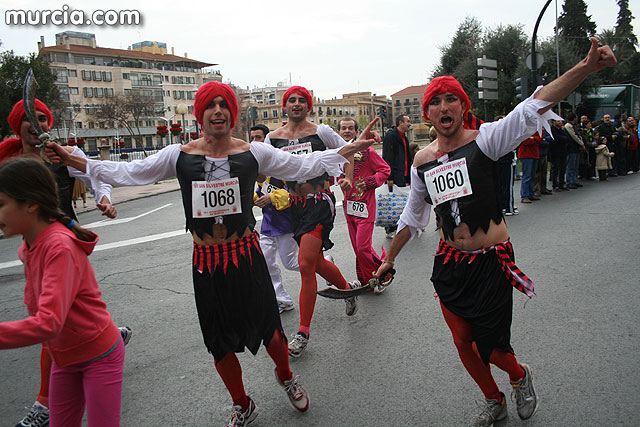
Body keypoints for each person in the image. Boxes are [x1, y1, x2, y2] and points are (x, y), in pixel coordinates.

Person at [47, 81, 379, 425]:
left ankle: (285, 376)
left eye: (223, 105)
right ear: (200, 113)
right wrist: (75, 159)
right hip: (206, 263)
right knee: (217, 342)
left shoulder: (254, 151)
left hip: (246, 256)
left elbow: (302, 166)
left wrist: (349, 148)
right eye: (210, 105)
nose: (217, 111)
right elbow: (129, 172)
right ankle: (242, 402)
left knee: (270, 332)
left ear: (232, 113)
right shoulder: (179, 155)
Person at [374, 38, 616, 426]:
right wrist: (387, 260)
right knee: (461, 341)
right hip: (450, 263)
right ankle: (493, 399)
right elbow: (411, 218)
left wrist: (586, 66)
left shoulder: (487, 139)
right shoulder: (422, 161)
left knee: (487, 344)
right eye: (435, 102)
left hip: (492, 262)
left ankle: (519, 376)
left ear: (462, 106)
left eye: (450, 99)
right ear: (428, 114)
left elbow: (534, 105)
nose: (442, 107)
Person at [0, 98, 124, 427]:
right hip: (66, 353)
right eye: (30, 118)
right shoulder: (27, 244)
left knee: (67, 311)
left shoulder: (60, 155)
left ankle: (107, 334)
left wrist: (103, 197)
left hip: (61, 236)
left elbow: (103, 174)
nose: (37, 123)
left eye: (42, 118)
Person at [265, 86, 363, 358]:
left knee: (306, 264)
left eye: (302, 101)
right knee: (317, 261)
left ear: (309, 106)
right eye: (291, 100)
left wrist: (347, 177)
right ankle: (347, 290)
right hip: (294, 208)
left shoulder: (321, 132)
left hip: (319, 203)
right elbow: (263, 171)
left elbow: (349, 152)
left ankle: (302, 333)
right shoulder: (273, 138)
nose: (296, 104)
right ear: (284, 106)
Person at [337, 117, 390, 292]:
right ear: (338, 131)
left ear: (356, 131)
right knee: (357, 249)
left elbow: (385, 170)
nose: (346, 131)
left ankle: (383, 273)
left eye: (350, 128)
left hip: (366, 205)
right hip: (349, 207)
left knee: (362, 247)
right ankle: (368, 280)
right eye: (343, 128)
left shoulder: (367, 152)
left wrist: (369, 182)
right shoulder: (336, 152)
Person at [251, 124, 298, 313]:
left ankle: (325, 263)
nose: (254, 142)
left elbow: (295, 191)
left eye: (259, 138)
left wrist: (272, 197)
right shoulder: (256, 165)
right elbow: (259, 190)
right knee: (266, 262)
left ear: (267, 140)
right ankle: (282, 299)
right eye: (252, 138)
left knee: (292, 263)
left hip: (286, 223)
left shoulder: (282, 162)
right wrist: (256, 199)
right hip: (268, 224)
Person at [382, 114, 413, 237]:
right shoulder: (391, 136)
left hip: (403, 174)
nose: (410, 124)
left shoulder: (404, 137)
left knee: (402, 201)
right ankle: (390, 229)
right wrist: (389, 177)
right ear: (400, 122)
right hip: (394, 175)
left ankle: (401, 226)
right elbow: (387, 157)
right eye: (408, 121)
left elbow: (407, 157)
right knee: (392, 203)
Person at [517, 133, 541, 203]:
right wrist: (535, 139)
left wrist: (533, 138)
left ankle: (531, 193)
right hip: (526, 155)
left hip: (535, 154)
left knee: (532, 176)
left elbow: (540, 138)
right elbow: (525, 141)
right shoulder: (524, 129)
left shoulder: (536, 128)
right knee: (527, 176)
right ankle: (524, 195)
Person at [564, 112, 585, 188]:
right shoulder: (568, 126)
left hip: (576, 149)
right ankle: (569, 181)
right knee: (571, 165)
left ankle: (574, 180)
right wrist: (581, 144)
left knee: (575, 165)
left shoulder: (574, 126)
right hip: (571, 149)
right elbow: (574, 136)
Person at [549, 119, 570, 191]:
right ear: (553, 122)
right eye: (558, 121)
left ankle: (561, 183)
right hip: (555, 152)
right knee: (555, 168)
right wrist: (563, 139)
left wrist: (563, 139)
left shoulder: (561, 130)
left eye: (560, 121)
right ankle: (555, 185)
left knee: (563, 168)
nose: (560, 122)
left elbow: (567, 138)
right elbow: (556, 138)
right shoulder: (552, 130)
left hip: (563, 151)